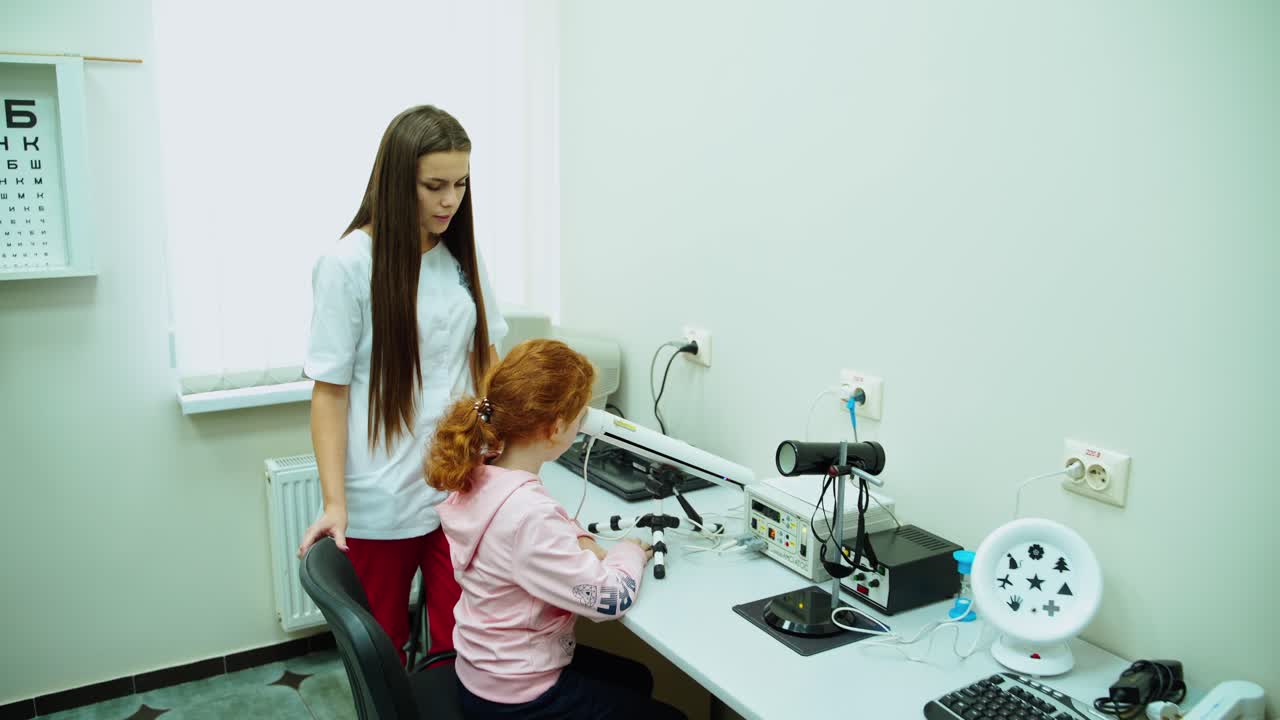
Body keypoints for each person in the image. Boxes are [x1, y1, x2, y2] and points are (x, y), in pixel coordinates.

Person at [297, 105, 507, 665]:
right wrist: (334, 500)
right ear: (397, 182)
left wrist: (501, 451)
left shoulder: (462, 256)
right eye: (434, 186)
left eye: (460, 184)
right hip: (381, 498)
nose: (449, 201)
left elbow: (486, 359)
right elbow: (330, 391)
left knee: (463, 643)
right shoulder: (346, 265)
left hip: (458, 485)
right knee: (383, 654)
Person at [427, 339, 687, 720]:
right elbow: (609, 599)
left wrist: (577, 536)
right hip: (517, 698)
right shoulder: (527, 516)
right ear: (557, 429)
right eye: (582, 417)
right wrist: (628, 553)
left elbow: (538, 523)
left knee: (635, 677)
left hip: (484, 669)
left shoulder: (486, 474)